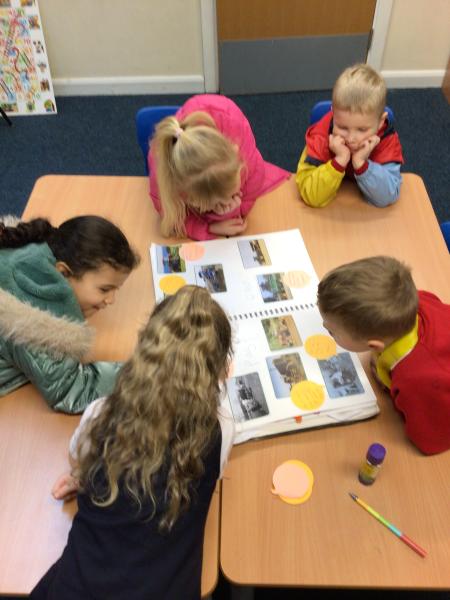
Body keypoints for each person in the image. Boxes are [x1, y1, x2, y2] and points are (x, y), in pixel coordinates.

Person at [30, 285, 235, 600]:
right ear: (219, 368)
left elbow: (77, 457)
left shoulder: (101, 413)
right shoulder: (221, 428)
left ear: (144, 352)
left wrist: (84, 476)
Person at [0, 215, 139, 413]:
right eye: (104, 289)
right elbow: (70, 390)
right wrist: (145, 373)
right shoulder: (32, 323)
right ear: (63, 272)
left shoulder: (35, 252)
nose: (111, 300)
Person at [317, 256, 450, 455]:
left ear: (373, 345)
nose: (325, 329)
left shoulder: (416, 380)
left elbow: (430, 441)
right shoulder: (416, 301)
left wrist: (396, 394)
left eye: (331, 332)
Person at [149, 94, 290, 240]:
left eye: (232, 193)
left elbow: (254, 182)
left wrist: (233, 212)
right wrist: (210, 227)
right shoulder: (164, 175)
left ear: (237, 158)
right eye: (215, 204)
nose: (227, 201)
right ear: (190, 199)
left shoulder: (240, 142)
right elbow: (170, 215)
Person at [296, 64, 404, 208]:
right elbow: (310, 195)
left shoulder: (386, 139)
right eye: (342, 127)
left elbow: (388, 196)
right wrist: (339, 161)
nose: (351, 138)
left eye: (362, 129)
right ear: (333, 114)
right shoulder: (320, 136)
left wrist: (361, 164)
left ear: (380, 122)